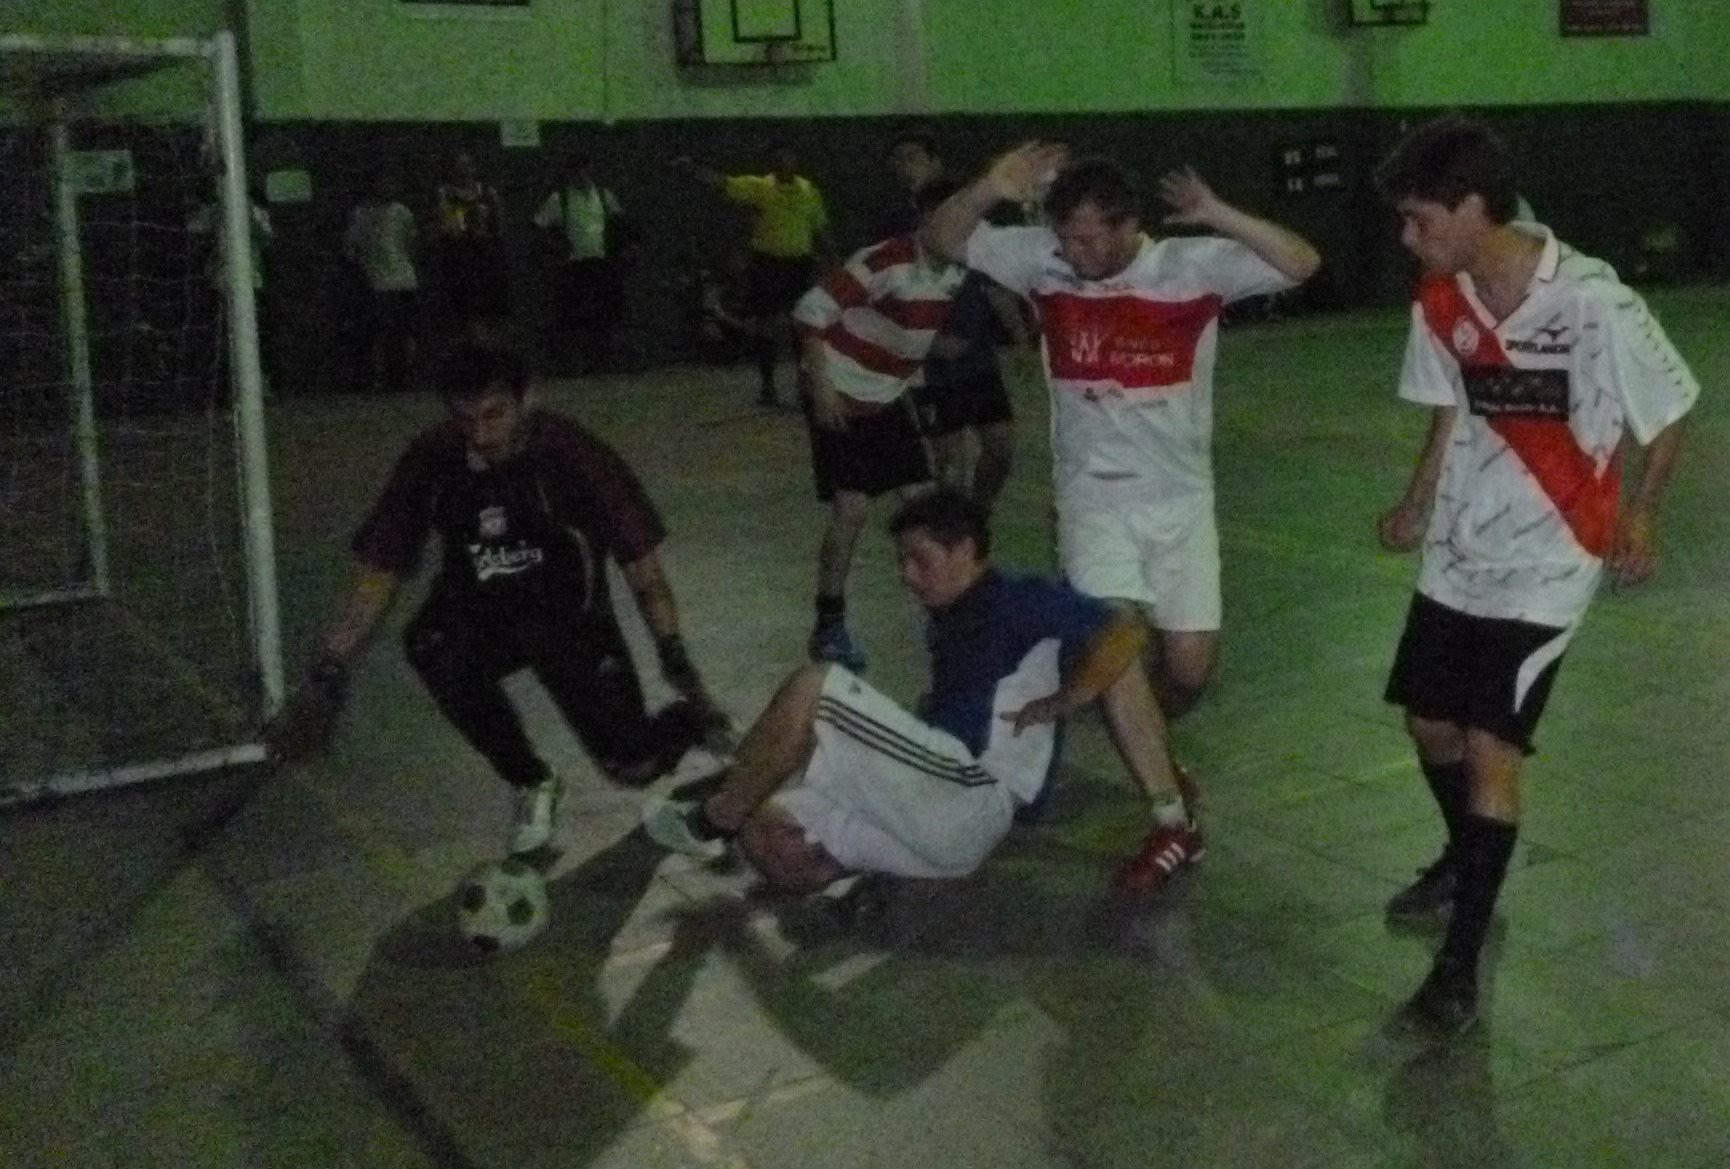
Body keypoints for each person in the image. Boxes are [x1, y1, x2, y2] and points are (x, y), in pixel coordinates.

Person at [1371, 116, 1697, 1037]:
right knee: (1429, 723)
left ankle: (1457, 969)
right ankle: (1465, 855)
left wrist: (1643, 513)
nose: (1409, 237)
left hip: (1552, 558)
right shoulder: (1442, 297)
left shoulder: (1592, 298)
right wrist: (1417, 500)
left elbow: (1670, 409)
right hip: (1460, 548)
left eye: (1420, 219)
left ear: (1474, 207)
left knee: (1489, 749)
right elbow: (1449, 406)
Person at [270, 341, 730, 855]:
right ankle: (530, 780)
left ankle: (691, 723)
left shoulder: (573, 456)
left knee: (633, 767)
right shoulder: (432, 459)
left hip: (568, 621)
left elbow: (643, 571)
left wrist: (671, 649)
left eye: (494, 415)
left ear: (527, 399)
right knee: (430, 644)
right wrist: (330, 665)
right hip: (479, 611)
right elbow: (380, 572)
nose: (481, 436)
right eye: (466, 420)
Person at [923, 145, 1321, 722]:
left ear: (1129, 226)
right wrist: (990, 186)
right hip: (1093, 500)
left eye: (1089, 240)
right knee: (1116, 649)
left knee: (1188, 674)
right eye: (1066, 238)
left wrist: (1217, 213)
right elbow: (941, 238)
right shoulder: (1042, 260)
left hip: (1182, 500)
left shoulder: (1188, 268)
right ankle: (1148, 761)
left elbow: (1302, 262)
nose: (1074, 252)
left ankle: (1138, 730)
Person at [641, 487, 1201, 896]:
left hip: (971, 796)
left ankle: (711, 822)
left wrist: (1068, 701)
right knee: (767, 834)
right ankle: (853, 873)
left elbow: (1126, 632)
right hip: (935, 826)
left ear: (965, 551)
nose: (906, 575)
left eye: (919, 560)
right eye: (901, 562)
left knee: (816, 685)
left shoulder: (1017, 599)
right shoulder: (950, 620)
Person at [789, 178, 968, 673]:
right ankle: (829, 626)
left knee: (922, 503)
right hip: (839, 390)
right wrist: (821, 385)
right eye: (950, 218)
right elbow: (809, 310)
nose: (962, 229)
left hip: (888, 396)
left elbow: (909, 332)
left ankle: (945, 613)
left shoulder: (956, 270)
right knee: (852, 508)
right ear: (925, 220)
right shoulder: (885, 260)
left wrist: (926, 363)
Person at [882, 129, 1026, 516]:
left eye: (914, 157)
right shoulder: (895, 226)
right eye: (898, 160)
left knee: (1001, 446)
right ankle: (956, 528)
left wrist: (1019, 336)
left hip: (977, 359)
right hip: (931, 364)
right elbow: (883, 298)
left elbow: (993, 283)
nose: (905, 166)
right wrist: (924, 341)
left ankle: (977, 515)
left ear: (935, 161)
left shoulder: (972, 220)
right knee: (949, 459)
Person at [676, 145, 831, 406]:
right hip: (768, 263)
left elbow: (821, 225)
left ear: (796, 160)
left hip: (799, 265)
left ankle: (804, 384)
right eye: (779, 158)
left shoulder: (809, 191)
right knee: (767, 325)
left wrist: (832, 257)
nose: (784, 162)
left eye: (788, 157)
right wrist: (693, 169)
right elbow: (723, 182)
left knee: (802, 324)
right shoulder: (760, 187)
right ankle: (768, 386)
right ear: (772, 163)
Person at [532, 153, 632, 374]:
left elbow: (619, 223)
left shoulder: (604, 196)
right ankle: (579, 363)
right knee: (576, 314)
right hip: (575, 265)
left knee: (607, 313)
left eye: (585, 170)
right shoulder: (560, 199)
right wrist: (557, 248)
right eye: (576, 171)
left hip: (603, 263)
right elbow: (539, 225)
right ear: (569, 174)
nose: (582, 175)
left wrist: (619, 249)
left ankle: (606, 361)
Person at [343, 169, 418, 393]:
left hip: (403, 279)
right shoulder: (361, 214)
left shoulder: (402, 212)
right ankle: (380, 378)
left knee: (403, 331)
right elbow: (351, 248)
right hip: (376, 281)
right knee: (380, 332)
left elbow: (410, 242)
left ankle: (404, 377)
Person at [434, 151, 509, 335]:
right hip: (459, 253)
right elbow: (446, 224)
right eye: (459, 166)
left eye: (467, 165)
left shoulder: (488, 192)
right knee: (466, 296)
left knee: (490, 294)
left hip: (486, 251)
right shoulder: (446, 193)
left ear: (475, 168)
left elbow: (499, 222)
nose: (464, 171)